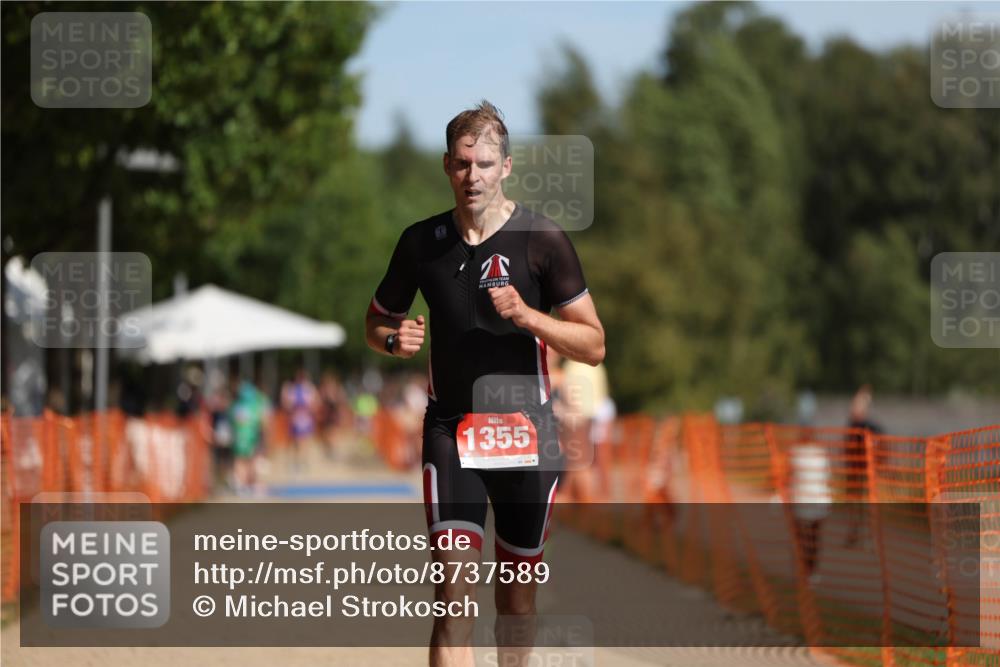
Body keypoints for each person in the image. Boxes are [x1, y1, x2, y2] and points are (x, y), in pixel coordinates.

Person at [365, 100, 605, 667]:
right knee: (453, 600)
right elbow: (375, 321)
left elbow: (593, 344)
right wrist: (390, 340)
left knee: (517, 605)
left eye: (486, 164)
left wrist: (528, 317)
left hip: (527, 436)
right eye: (462, 163)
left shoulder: (542, 240)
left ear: (507, 167)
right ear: (447, 166)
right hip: (452, 433)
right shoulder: (421, 243)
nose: (474, 176)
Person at [280, 368, 319, 473]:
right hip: (296, 417)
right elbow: (286, 404)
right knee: (294, 441)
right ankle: (295, 462)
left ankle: (303, 462)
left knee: (304, 441)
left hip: (305, 417)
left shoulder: (309, 389)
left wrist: (309, 410)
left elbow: (315, 403)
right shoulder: (292, 389)